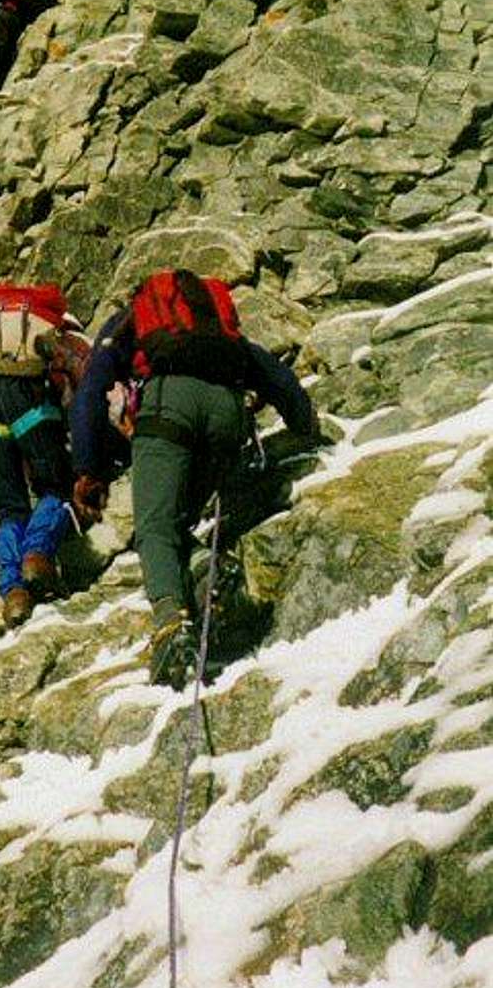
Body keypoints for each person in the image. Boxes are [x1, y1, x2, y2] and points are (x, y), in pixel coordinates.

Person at [69, 269, 319, 689]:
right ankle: (206, 566)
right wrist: (304, 420)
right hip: (227, 414)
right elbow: (268, 368)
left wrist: (88, 469)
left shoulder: (130, 322)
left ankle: (171, 623)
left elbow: (93, 385)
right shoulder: (214, 328)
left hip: (169, 406)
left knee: (153, 527)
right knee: (174, 520)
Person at [0, 283, 91, 628]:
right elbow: (91, 393)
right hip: (29, 402)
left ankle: (14, 592)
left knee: (8, 506)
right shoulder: (66, 339)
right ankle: (37, 556)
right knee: (57, 487)